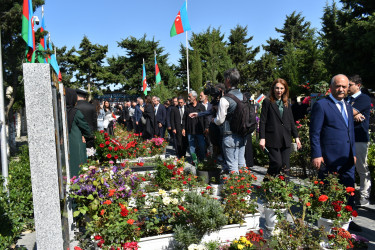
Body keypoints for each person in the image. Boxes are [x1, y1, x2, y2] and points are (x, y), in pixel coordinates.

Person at [310, 74, 361, 231]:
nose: (341, 89)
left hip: (346, 157)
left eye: (344, 87)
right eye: (338, 86)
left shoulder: (347, 105)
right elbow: (315, 132)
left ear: (347, 89)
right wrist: (317, 154)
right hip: (328, 157)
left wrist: (353, 152)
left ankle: (348, 220)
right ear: (331, 88)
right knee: (327, 189)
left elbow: (350, 131)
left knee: (349, 188)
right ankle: (325, 221)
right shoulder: (322, 105)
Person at [259, 78, 301, 176]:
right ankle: (267, 181)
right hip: (272, 138)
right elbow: (263, 121)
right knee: (277, 163)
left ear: (285, 90)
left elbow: (291, 121)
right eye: (277, 88)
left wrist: (296, 137)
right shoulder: (267, 102)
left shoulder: (286, 103)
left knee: (286, 167)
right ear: (273, 89)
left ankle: (284, 190)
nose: (279, 90)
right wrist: (262, 138)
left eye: (281, 88)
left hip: (285, 138)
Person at [213, 69, 247, 173]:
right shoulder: (244, 96)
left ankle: (236, 188)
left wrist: (213, 120)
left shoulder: (225, 98)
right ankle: (245, 186)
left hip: (229, 135)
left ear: (228, 80)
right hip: (243, 134)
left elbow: (219, 120)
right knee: (242, 164)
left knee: (232, 166)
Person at [347, 75, 372, 207]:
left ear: (358, 85)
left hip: (360, 138)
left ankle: (364, 197)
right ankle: (350, 194)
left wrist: (353, 113)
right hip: (348, 138)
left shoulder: (363, 98)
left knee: (361, 168)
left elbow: (345, 112)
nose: (347, 87)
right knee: (348, 167)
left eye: (350, 84)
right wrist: (353, 113)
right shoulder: (347, 99)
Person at [65, 88, 91, 177]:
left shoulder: (61, 111)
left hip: (64, 143)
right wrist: (88, 136)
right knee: (79, 168)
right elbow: (85, 128)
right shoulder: (75, 112)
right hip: (76, 143)